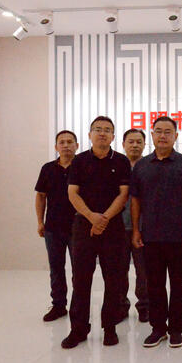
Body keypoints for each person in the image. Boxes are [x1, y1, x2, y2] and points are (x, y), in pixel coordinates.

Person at [131, 116, 182, 349]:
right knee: (154, 284)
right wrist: (136, 230)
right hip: (150, 236)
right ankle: (158, 328)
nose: (163, 135)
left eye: (168, 132)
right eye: (159, 131)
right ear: (152, 135)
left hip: (179, 236)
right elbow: (135, 200)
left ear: (176, 136)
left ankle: (176, 330)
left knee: (178, 284)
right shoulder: (142, 166)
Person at [63, 116, 131, 349]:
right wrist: (92, 216)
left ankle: (109, 328)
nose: (102, 133)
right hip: (84, 226)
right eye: (98, 129)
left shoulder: (121, 161)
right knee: (81, 279)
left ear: (113, 136)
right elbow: (72, 193)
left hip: (113, 227)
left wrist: (104, 218)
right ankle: (78, 329)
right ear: (90, 134)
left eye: (107, 130)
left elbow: (123, 194)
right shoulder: (79, 161)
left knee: (113, 279)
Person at [34, 130, 79, 322]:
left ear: (77, 145)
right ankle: (59, 305)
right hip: (53, 227)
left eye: (70, 142)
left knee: (79, 270)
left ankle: (78, 307)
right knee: (56, 268)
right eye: (62, 142)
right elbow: (40, 196)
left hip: (79, 228)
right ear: (56, 147)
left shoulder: (83, 166)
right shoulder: (47, 169)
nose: (66, 145)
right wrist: (40, 221)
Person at [119, 129, 149, 323]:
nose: (135, 145)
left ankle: (144, 306)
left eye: (139, 142)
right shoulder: (116, 165)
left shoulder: (149, 166)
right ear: (123, 144)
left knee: (144, 271)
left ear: (145, 145)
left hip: (144, 228)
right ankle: (121, 306)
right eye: (131, 142)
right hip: (119, 227)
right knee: (119, 270)